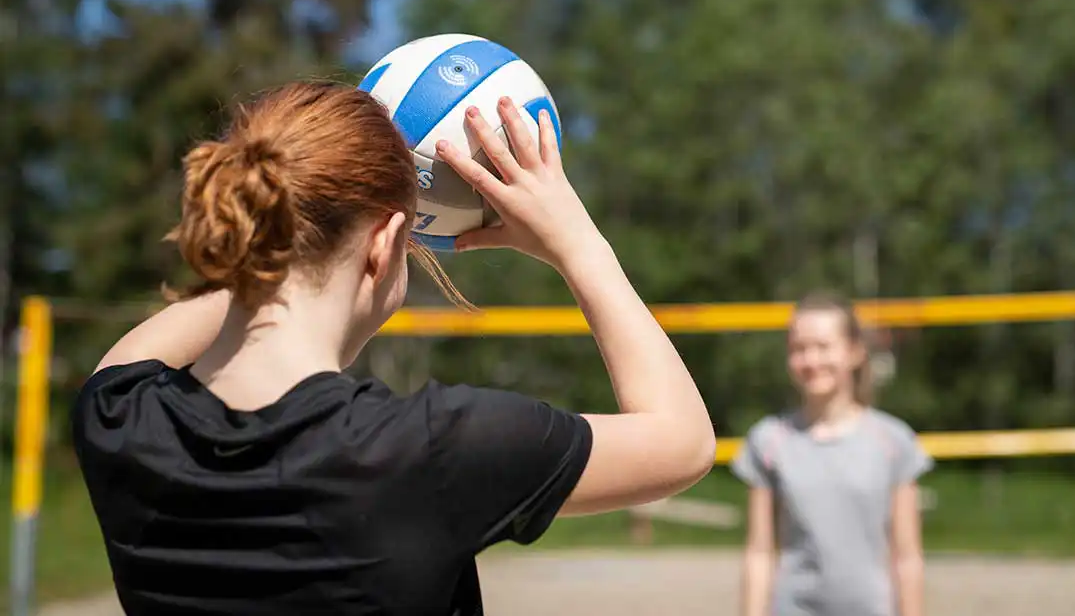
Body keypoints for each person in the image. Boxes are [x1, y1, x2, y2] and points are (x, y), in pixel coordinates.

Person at [71, 81, 716, 615]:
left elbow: (137, 353)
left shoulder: (119, 421)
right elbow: (685, 442)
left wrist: (276, 238)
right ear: (385, 245)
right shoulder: (428, 451)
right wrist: (576, 240)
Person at [733, 292, 931, 616]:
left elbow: (906, 556)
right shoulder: (768, 441)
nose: (811, 360)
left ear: (855, 352)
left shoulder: (894, 441)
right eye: (799, 349)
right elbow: (759, 552)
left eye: (823, 347)